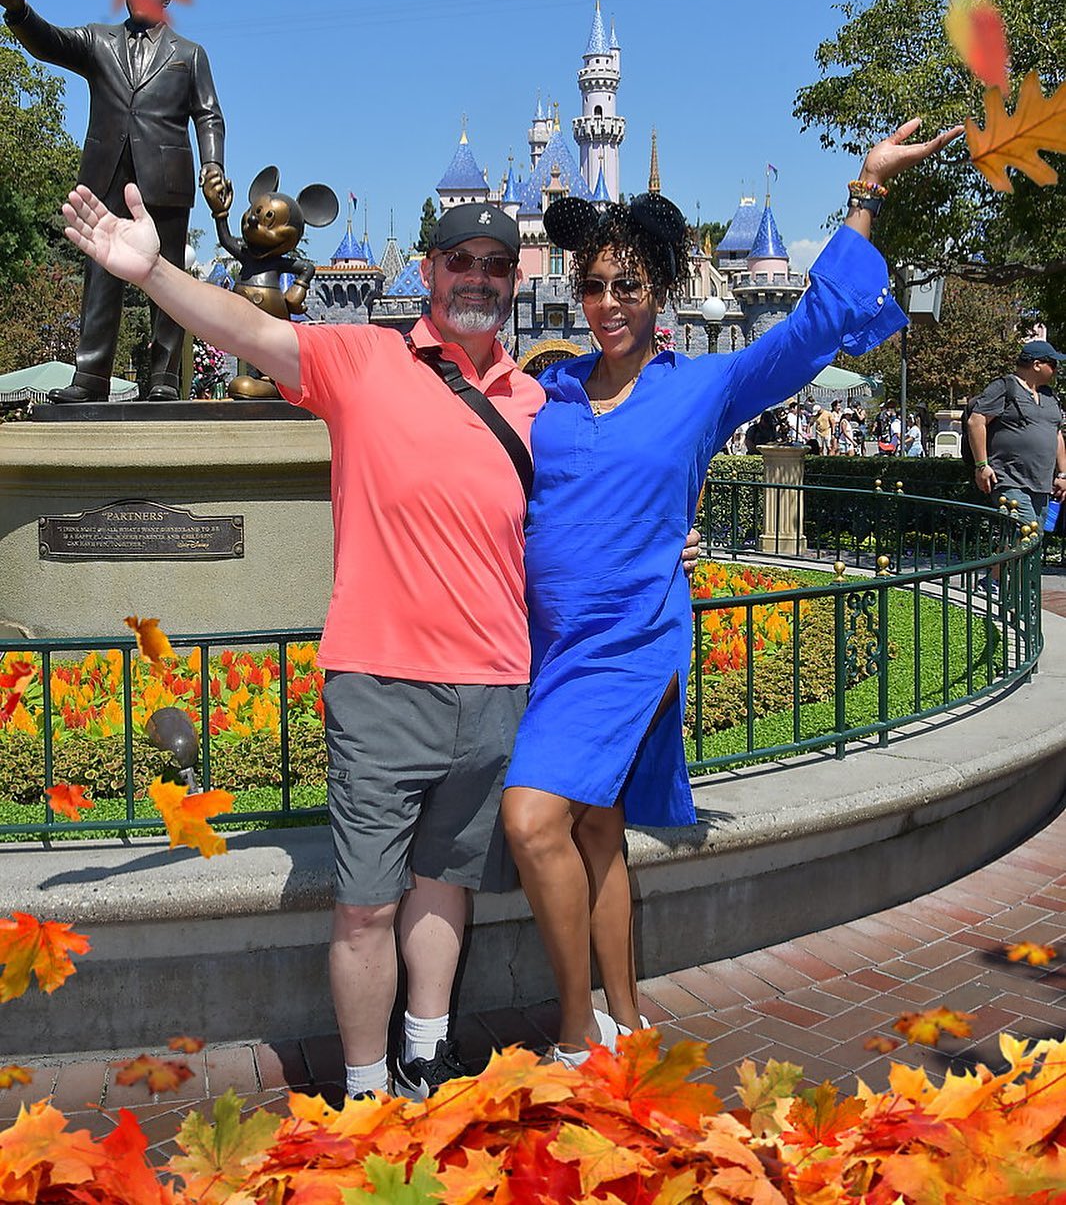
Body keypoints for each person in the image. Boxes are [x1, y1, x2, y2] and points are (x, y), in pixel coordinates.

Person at [58, 187, 700, 1099]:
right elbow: (249, 329)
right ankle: (365, 1084)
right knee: (365, 904)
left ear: (516, 281)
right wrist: (153, 271)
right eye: (459, 261)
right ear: (428, 271)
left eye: (495, 265)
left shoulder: (535, 398)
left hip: (494, 682)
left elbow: (607, 478)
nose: (477, 278)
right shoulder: (362, 357)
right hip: (380, 678)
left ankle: (425, 1053)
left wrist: (658, 540)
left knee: (444, 884)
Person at [500, 118, 962, 1063]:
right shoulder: (552, 392)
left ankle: (574, 1031)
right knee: (595, 829)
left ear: (662, 290)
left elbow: (808, 332)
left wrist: (866, 191)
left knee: (532, 818)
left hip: (631, 639)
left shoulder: (701, 387)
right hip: (552, 643)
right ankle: (627, 1016)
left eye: (628, 285)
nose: (607, 303)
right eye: (593, 285)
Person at [0, 0, 225, 402]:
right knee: (101, 274)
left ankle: (164, 379)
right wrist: (18, 10)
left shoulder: (190, 54)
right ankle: (90, 377)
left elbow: (208, 114)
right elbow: (50, 42)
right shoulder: (98, 41)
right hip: (107, 176)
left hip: (166, 179)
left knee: (168, 278)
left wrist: (212, 163)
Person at [967, 339, 1066, 551]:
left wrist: (1063, 474)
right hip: (1010, 479)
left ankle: (995, 572)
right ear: (1037, 364)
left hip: (1041, 484)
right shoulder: (1004, 387)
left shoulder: (1049, 395)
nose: (1056, 370)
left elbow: (1056, 434)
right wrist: (982, 465)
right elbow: (976, 421)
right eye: (1053, 364)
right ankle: (1008, 572)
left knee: (1028, 538)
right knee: (1026, 533)